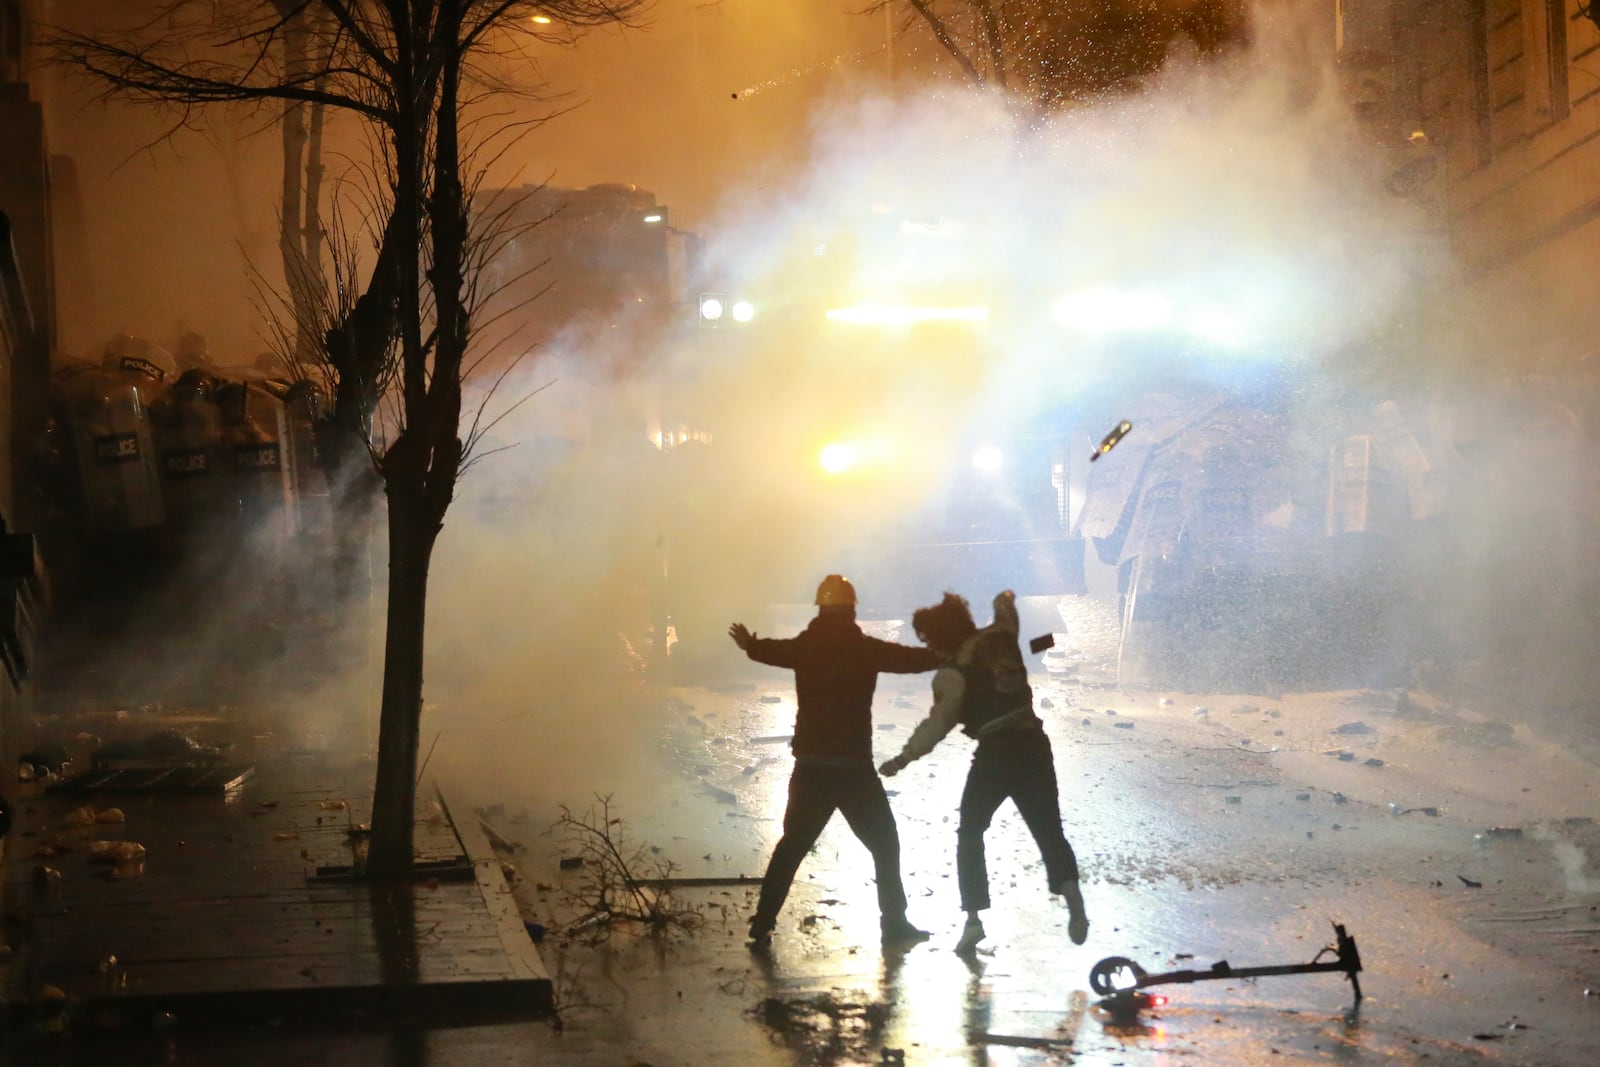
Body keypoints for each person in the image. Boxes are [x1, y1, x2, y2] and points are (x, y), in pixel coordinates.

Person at [729, 574, 944, 948]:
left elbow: (770, 651)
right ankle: (894, 923)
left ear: (821, 609)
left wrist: (750, 644)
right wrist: (948, 654)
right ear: (852, 609)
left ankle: (762, 922)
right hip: (853, 769)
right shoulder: (865, 650)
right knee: (885, 844)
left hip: (811, 767)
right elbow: (909, 660)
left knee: (792, 846)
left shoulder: (805, 647)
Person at [879, 589, 1089, 953]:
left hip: (995, 754)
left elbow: (938, 724)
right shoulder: (1001, 637)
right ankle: (1070, 890)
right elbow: (1008, 614)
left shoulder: (952, 672)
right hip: (1035, 745)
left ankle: (974, 919)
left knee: (971, 832)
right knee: (1048, 829)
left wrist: (902, 758)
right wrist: (1003, 597)